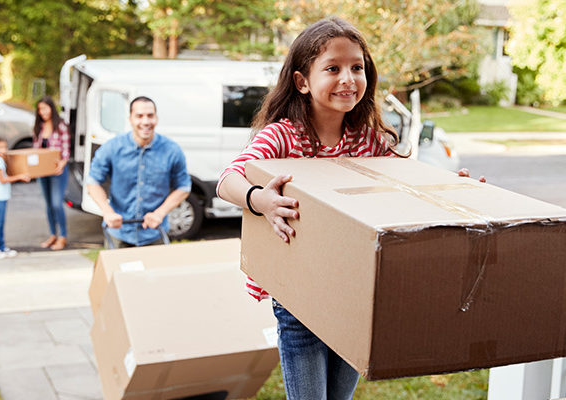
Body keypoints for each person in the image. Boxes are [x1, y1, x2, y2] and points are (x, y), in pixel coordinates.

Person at [217, 17, 409, 399]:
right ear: (303, 81)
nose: (348, 79)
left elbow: (404, 187)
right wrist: (261, 200)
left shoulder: (368, 139)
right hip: (298, 297)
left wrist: (457, 190)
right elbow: (228, 181)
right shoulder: (283, 135)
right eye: (333, 69)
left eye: (357, 68)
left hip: (353, 292)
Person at [86, 96, 191, 248]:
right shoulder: (112, 148)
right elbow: (93, 182)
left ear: (156, 118)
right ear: (130, 119)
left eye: (150, 115)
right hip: (119, 233)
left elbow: (184, 187)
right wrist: (107, 212)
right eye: (139, 116)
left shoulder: (172, 151)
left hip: (155, 233)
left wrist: (160, 213)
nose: (145, 121)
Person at [0, 137, 30, 259]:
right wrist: (20, 176)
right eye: (0, 147)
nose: (3, 150)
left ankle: (1, 246)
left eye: (5, 147)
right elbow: (2, 179)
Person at [33, 96, 71, 250]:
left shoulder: (60, 125)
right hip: (43, 172)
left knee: (57, 204)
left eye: (45, 108)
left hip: (58, 171)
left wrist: (62, 163)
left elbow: (66, 150)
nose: (42, 112)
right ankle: (52, 235)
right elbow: (35, 151)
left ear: (51, 108)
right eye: (40, 109)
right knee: (48, 205)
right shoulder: (38, 127)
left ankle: (63, 236)